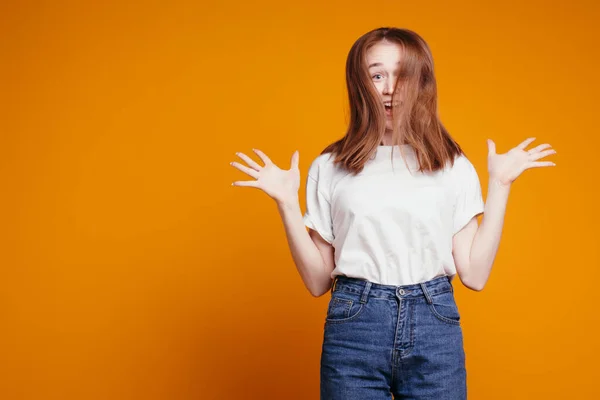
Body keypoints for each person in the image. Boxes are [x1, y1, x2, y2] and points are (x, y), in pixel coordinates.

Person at [229, 27, 556, 400]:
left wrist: (499, 185)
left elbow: (475, 274)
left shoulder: (450, 165)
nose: (389, 88)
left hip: (434, 325)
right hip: (354, 327)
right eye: (377, 74)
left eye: (402, 74)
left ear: (421, 82)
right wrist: (287, 203)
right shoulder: (331, 166)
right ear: (359, 84)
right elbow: (319, 281)